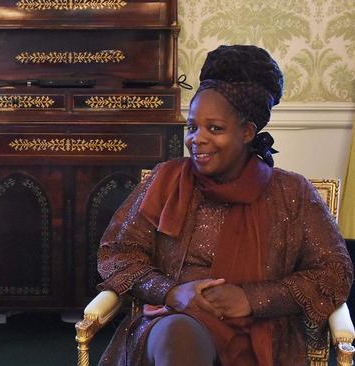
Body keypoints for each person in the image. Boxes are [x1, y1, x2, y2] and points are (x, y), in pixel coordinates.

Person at [96, 45, 353, 366]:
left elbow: (333, 273)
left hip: (262, 329)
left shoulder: (292, 192)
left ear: (247, 132)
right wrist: (172, 292)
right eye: (192, 127)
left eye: (214, 128)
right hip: (177, 318)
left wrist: (253, 299)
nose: (197, 139)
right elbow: (117, 255)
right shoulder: (166, 178)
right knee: (178, 334)